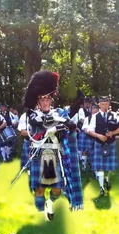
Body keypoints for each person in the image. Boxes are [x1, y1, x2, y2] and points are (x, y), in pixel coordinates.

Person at [24, 70, 83, 220]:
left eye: (47, 99)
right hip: (39, 155)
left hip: (55, 156)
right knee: (39, 190)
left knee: (57, 189)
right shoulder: (33, 115)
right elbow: (42, 123)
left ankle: (49, 204)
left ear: (51, 100)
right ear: (37, 101)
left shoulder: (58, 113)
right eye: (42, 99)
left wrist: (78, 102)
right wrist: (63, 123)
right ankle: (40, 218)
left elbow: (69, 113)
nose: (45, 102)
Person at [87, 96, 119, 195]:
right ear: (99, 105)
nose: (104, 106)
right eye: (102, 104)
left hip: (111, 143)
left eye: (106, 104)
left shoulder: (115, 115)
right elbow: (89, 130)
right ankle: (101, 188)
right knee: (99, 167)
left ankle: (107, 178)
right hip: (99, 143)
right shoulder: (95, 116)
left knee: (109, 167)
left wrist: (112, 133)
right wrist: (99, 136)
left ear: (109, 104)